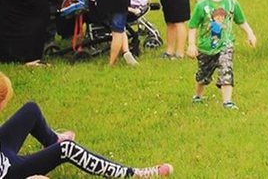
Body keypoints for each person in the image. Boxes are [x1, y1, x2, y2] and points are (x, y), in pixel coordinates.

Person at [0, 72, 173, 177]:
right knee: (68, 148)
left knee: (31, 110)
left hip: (3, 152)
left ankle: (54, 141)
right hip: (8, 171)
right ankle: (132, 174)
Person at [187, 0, 257, 109]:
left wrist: (250, 34)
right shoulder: (202, 5)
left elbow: (241, 20)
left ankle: (227, 101)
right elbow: (192, 26)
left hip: (226, 45)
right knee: (203, 75)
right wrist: (192, 45)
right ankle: (198, 95)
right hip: (206, 47)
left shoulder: (231, 3)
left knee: (226, 69)